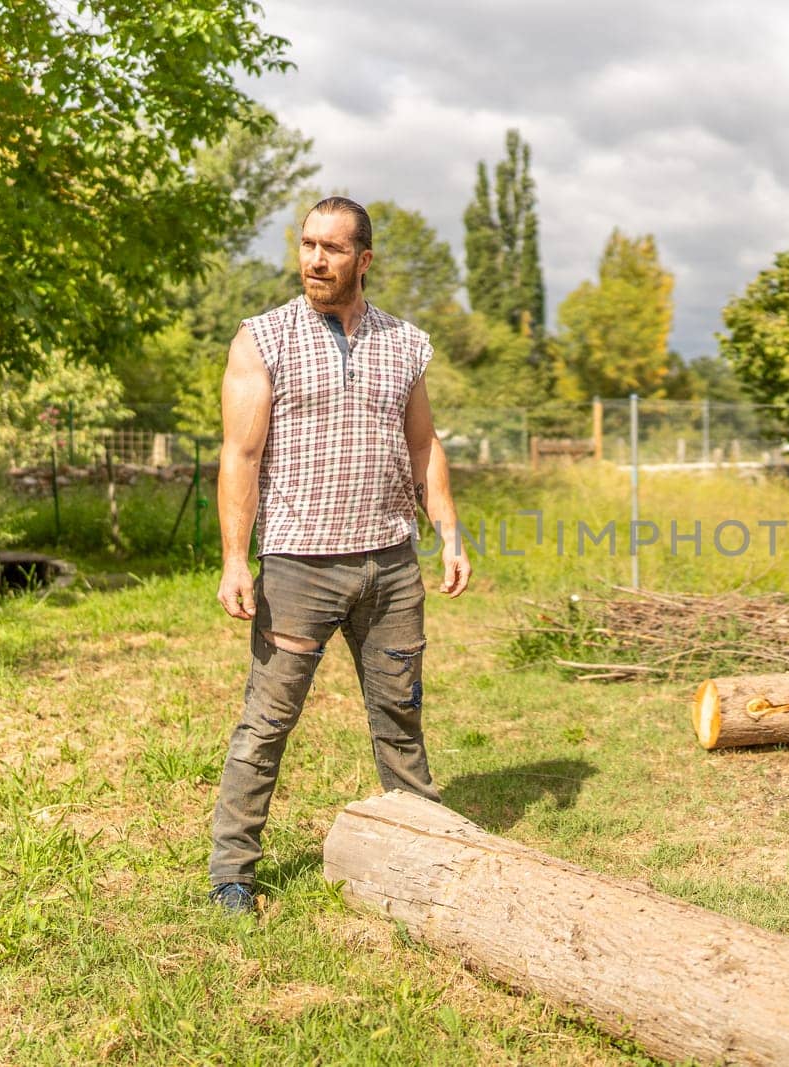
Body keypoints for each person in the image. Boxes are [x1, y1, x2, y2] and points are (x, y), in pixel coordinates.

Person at [206, 196, 471, 914]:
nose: (315, 260)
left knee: (401, 714)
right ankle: (233, 871)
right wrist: (237, 557)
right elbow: (240, 453)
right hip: (300, 565)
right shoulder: (262, 338)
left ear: (364, 259)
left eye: (332, 248)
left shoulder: (404, 343)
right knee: (267, 721)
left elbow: (423, 443)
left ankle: (425, 849)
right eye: (307, 244)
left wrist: (446, 529)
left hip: (389, 563)